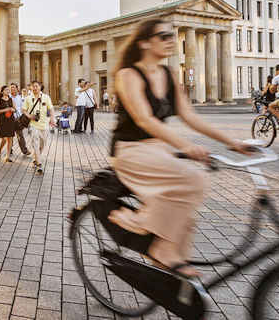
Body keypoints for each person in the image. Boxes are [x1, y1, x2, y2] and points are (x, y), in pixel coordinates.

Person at [108, 18, 252, 277]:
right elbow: (144, 119)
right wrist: (187, 146)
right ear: (144, 42)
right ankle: (136, 223)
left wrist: (234, 143)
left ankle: (171, 262)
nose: (171, 40)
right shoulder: (127, 75)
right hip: (130, 151)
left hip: (157, 149)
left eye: (172, 35)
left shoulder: (169, 75)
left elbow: (191, 117)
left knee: (190, 193)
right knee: (193, 178)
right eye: (163, 36)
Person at [22, 80, 55, 174]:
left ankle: (35, 158)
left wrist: (52, 119)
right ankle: (39, 165)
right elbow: (23, 110)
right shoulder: (28, 98)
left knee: (42, 144)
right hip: (33, 125)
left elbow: (51, 108)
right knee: (35, 144)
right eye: (33, 86)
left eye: (37, 86)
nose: (35, 88)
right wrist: (29, 116)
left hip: (44, 125)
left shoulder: (46, 97)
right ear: (31, 88)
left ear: (40, 87)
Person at [0, 85, 16, 164]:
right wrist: (5, 110)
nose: (8, 91)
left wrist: (12, 109)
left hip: (11, 120)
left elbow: (15, 109)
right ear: (2, 91)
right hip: (3, 121)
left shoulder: (11, 99)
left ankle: (7, 156)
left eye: (8, 90)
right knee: (4, 138)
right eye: (6, 90)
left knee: (10, 138)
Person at [9, 83, 30, 156]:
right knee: (10, 136)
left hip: (18, 119)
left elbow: (22, 107)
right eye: (11, 87)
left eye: (14, 87)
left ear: (17, 89)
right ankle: (10, 149)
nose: (12, 89)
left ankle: (24, 150)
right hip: (9, 119)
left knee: (20, 135)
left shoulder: (19, 97)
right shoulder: (8, 97)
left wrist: (22, 117)